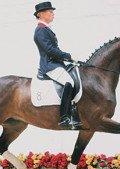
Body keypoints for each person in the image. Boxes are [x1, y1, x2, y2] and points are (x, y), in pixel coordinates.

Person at [33, 1, 81, 129]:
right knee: (69, 82)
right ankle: (64, 118)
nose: (53, 14)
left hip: (56, 63)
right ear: (41, 14)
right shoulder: (40, 30)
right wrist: (68, 56)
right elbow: (49, 50)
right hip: (49, 65)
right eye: (50, 12)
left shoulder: (46, 29)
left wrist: (69, 60)